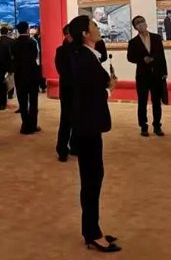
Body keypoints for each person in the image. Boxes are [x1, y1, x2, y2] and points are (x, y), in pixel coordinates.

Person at [68, 15, 121, 253]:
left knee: (93, 177)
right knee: (92, 179)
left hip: (88, 125)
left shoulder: (88, 55)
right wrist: (109, 89)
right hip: (87, 126)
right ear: (85, 34)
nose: (98, 29)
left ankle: (92, 228)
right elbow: (88, 93)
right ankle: (92, 233)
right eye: (94, 26)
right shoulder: (84, 59)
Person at [127, 15, 168, 137]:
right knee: (142, 102)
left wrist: (164, 72)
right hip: (142, 76)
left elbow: (162, 56)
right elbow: (130, 57)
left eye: (142, 21)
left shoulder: (156, 38)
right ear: (135, 27)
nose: (141, 24)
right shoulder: (133, 42)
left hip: (157, 74)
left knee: (157, 102)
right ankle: (143, 126)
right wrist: (142, 59)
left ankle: (157, 126)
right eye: (138, 23)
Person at [11, 21, 41, 134]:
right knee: (33, 101)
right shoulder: (32, 42)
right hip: (32, 75)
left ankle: (25, 125)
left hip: (19, 75)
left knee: (22, 102)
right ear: (27, 29)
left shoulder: (14, 44)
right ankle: (33, 125)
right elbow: (35, 57)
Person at [55, 25, 77, 162]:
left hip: (79, 90)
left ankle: (75, 146)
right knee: (66, 120)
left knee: (77, 120)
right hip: (68, 90)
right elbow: (62, 71)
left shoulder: (80, 49)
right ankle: (62, 149)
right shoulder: (61, 50)